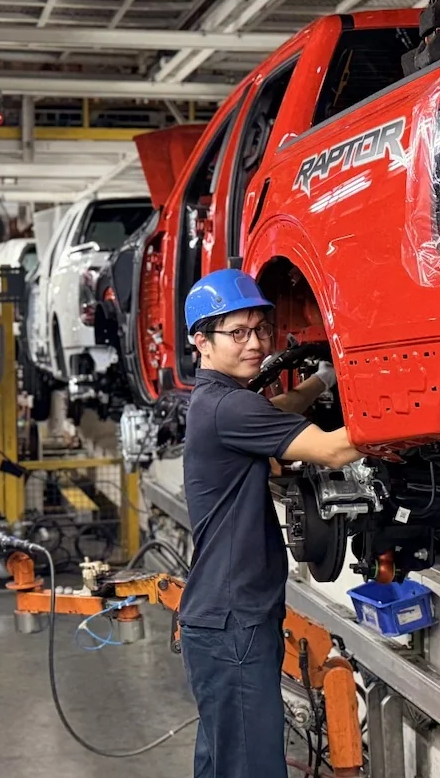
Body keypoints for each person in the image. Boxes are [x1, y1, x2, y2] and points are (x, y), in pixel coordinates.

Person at [176, 269, 363, 778]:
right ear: (201, 341)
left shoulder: (215, 399)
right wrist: (416, 407)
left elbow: (275, 409)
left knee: (224, 761)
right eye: (237, 333)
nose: (256, 344)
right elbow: (333, 449)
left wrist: (322, 380)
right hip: (234, 622)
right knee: (251, 767)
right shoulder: (230, 408)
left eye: (261, 329)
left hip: (221, 617)